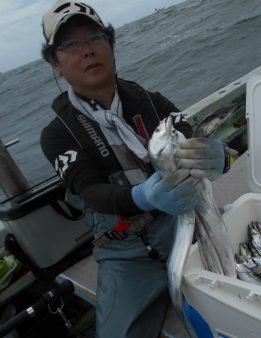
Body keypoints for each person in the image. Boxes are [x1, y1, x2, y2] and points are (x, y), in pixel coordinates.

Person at [39, 1, 228, 337]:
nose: (87, 51)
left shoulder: (151, 101)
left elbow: (190, 137)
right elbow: (91, 191)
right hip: (125, 253)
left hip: (187, 221)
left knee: (238, 298)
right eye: (70, 45)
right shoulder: (56, 135)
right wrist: (144, 195)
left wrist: (219, 157)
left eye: (95, 38)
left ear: (109, 44)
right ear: (55, 63)